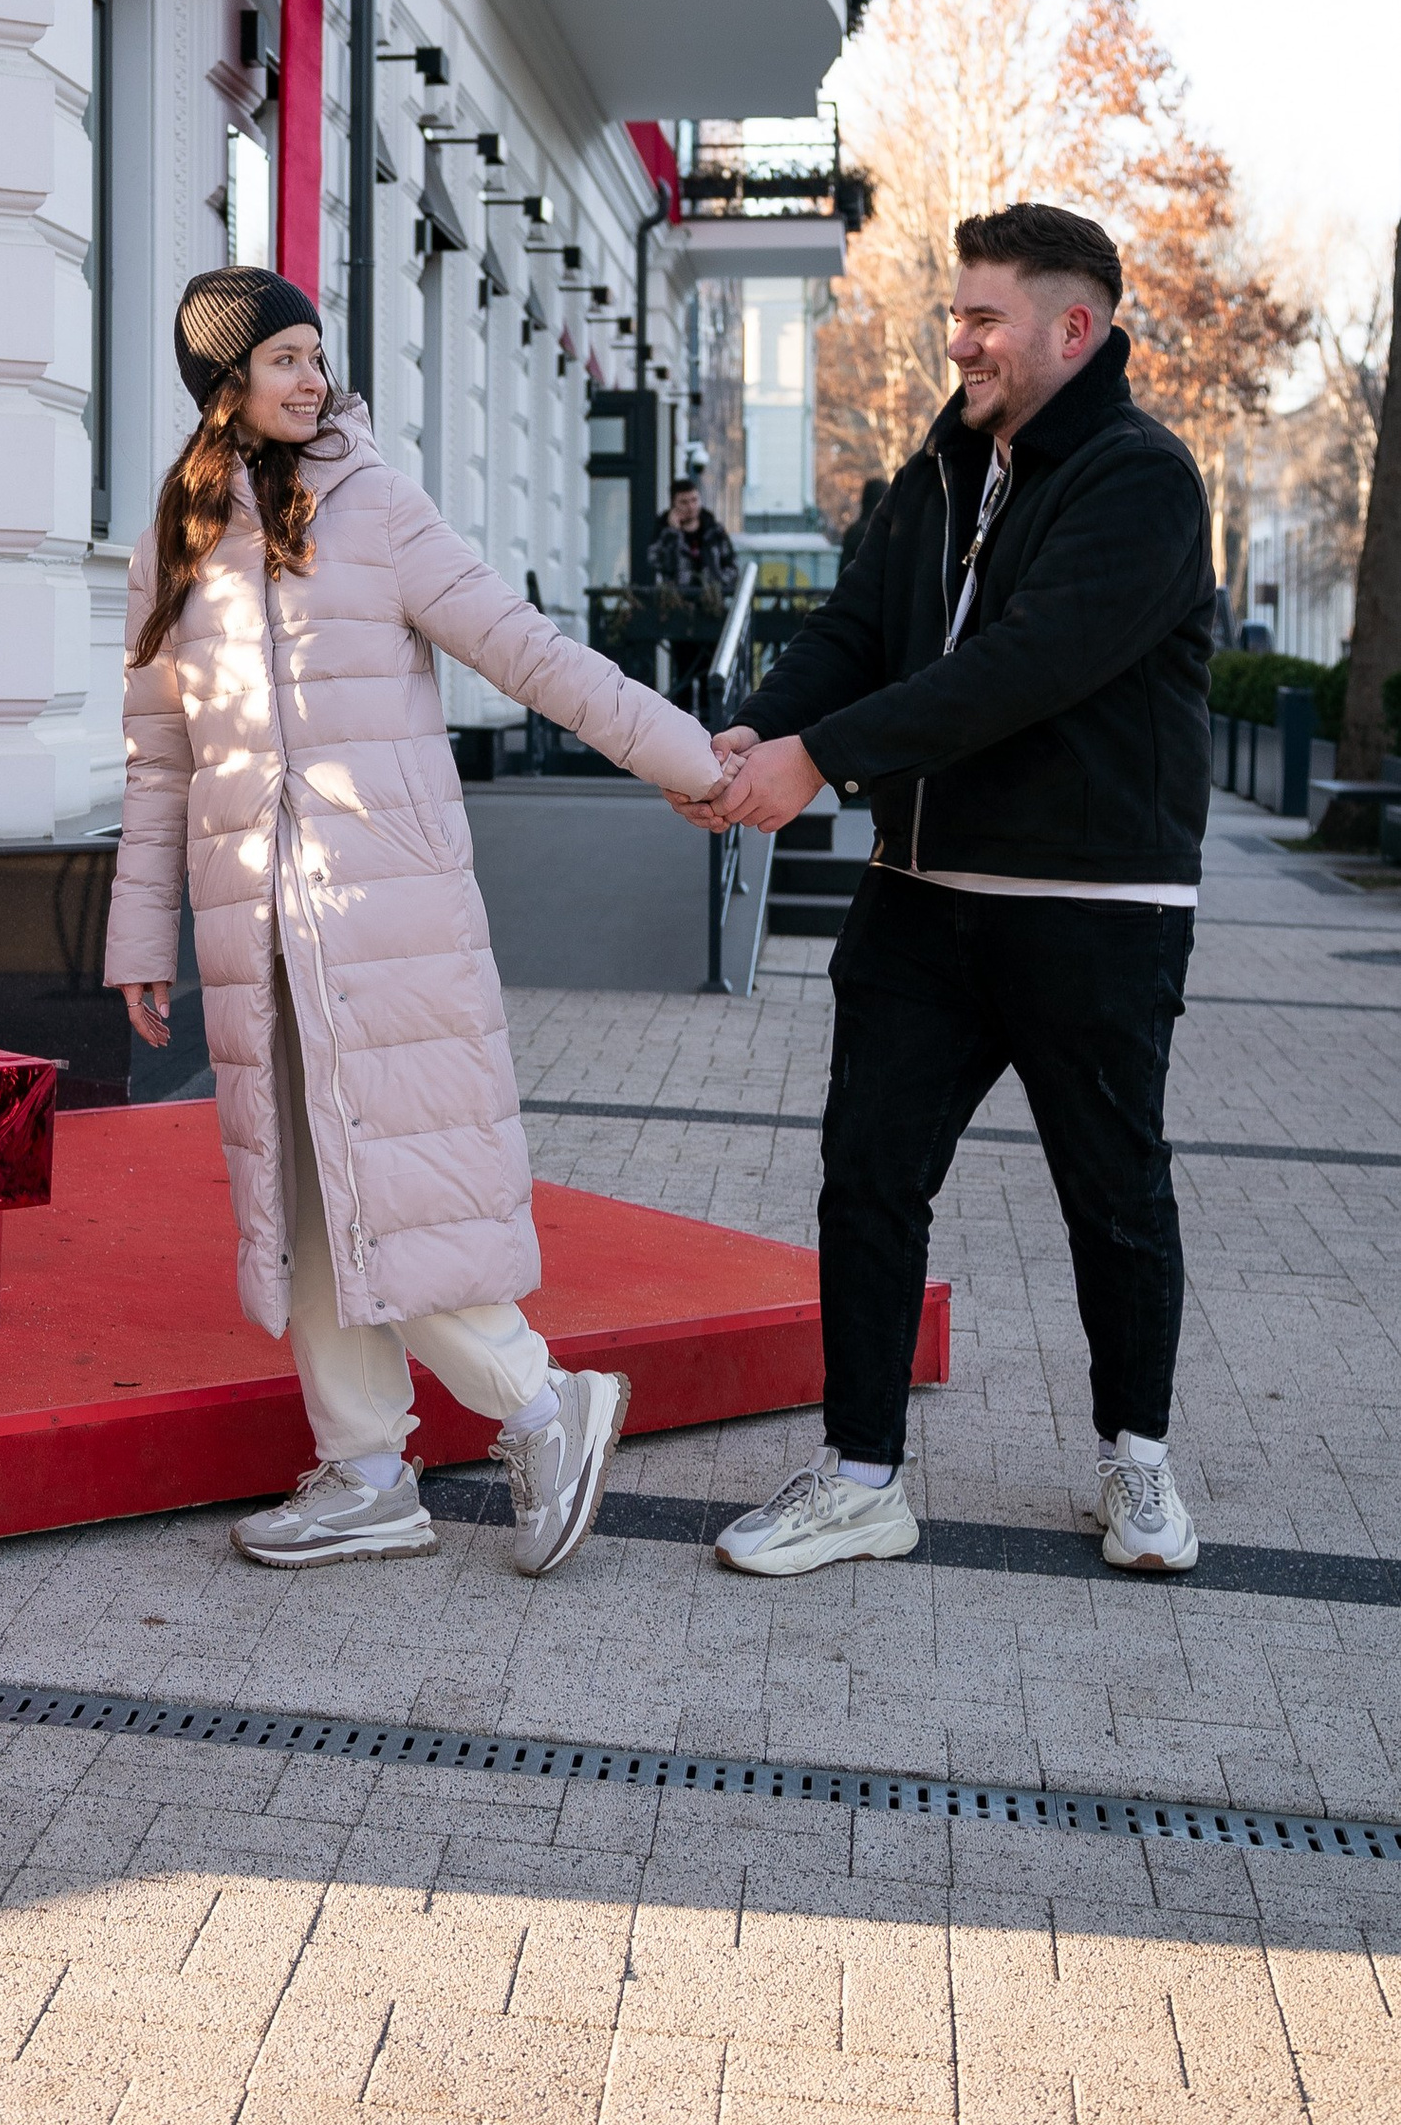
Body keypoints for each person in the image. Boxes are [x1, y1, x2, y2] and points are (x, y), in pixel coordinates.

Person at [107, 265, 724, 1576]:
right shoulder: (177, 534)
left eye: (318, 357)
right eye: (283, 360)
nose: (312, 378)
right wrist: (134, 933)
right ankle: (367, 1472)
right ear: (225, 382)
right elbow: (159, 760)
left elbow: (528, 651)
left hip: (384, 920)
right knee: (303, 1204)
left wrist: (688, 757)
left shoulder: (378, 508)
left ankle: (548, 1403)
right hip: (252, 934)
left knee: (397, 1193)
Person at [685, 205, 1214, 1581]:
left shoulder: (1142, 479)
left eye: (984, 316)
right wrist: (757, 732)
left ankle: (1139, 1462)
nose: (959, 337)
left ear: (1072, 328)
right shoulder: (939, 466)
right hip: (920, 895)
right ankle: (862, 1477)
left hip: (1094, 905)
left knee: (1113, 1191)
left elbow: (1024, 667)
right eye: (958, 312)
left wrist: (821, 759)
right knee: (866, 1179)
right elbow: (860, 629)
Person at [646, 474, 736, 714]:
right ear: (674, 505)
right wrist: (673, 534)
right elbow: (656, 562)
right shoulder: (663, 530)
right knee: (683, 671)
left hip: (711, 610)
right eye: (684, 502)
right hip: (680, 612)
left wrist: (717, 584)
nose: (691, 507)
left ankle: (711, 727)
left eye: (694, 500)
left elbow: (731, 565)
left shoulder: (713, 530)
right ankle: (683, 728)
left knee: (711, 672)